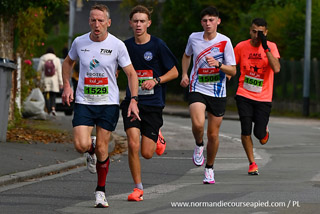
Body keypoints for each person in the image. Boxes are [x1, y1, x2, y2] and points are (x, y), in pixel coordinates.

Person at [61, 4, 140, 208]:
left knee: (104, 150)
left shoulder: (117, 45)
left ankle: (100, 191)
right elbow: (68, 63)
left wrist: (133, 100)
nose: (97, 24)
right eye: (93, 20)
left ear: (108, 22)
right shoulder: (80, 42)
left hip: (108, 104)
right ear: (89, 21)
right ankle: (91, 147)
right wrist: (67, 86)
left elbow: (131, 73)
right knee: (80, 145)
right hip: (84, 102)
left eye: (101, 21)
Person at [119, 5, 178, 201]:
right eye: (135, 21)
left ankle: (157, 136)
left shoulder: (158, 45)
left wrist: (157, 80)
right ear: (130, 23)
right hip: (132, 102)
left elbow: (175, 72)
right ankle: (138, 188)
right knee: (132, 143)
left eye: (142, 21)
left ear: (148, 23)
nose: (138, 24)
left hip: (153, 103)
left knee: (147, 153)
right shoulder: (125, 46)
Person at [180, 6, 236, 184]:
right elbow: (186, 55)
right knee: (198, 124)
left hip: (218, 91)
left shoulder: (225, 42)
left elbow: (233, 70)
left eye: (211, 20)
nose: (208, 23)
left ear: (218, 21)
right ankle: (198, 144)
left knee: (213, 134)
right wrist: (184, 74)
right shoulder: (194, 38)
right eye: (205, 20)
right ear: (201, 23)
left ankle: (209, 168)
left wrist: (219, 65)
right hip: (197, 87)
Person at [234, 18, 280, 175]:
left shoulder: (271, 47)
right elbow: (232, 67)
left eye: (260, 32)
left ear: (266, 32)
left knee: (259, 135)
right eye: (254, 31)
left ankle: (264, 130)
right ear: (250, 31)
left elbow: (277, 68)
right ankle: (252, 163)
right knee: (245, 128)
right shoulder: (241, 47)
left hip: (263, 97)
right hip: (244, 93)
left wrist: (266, 47)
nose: (256, 35)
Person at [38, 47, 63, 116]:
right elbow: (59, 72)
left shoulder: (42, 58)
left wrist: (38, 80)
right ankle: (53, 108)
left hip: (45, 79)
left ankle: (47, 109)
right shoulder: (57, 59)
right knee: (53, 95)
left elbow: (39, 70)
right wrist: (61, 82)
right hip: (54, 80)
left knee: (46, 94)